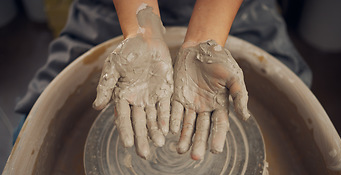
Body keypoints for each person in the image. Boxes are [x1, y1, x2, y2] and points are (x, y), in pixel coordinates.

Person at [15, 0, 312, 160]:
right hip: (113, 5)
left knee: (302, 110)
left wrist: (207, 37)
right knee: (32, 124)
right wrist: (143, 28)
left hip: (230, 6)